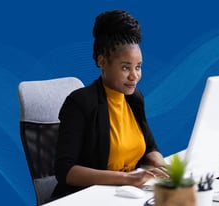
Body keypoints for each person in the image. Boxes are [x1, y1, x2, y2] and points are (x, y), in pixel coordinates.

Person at [52, 9, 168, 198]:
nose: (134, 76)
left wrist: (165, 169)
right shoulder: (80, 103)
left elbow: (150, 148)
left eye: (138, 67)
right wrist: (127, 179)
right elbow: (65, 171)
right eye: (125, 67)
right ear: (102, 62)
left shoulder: (134, 98)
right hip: (86, 197)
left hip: (126, 194)